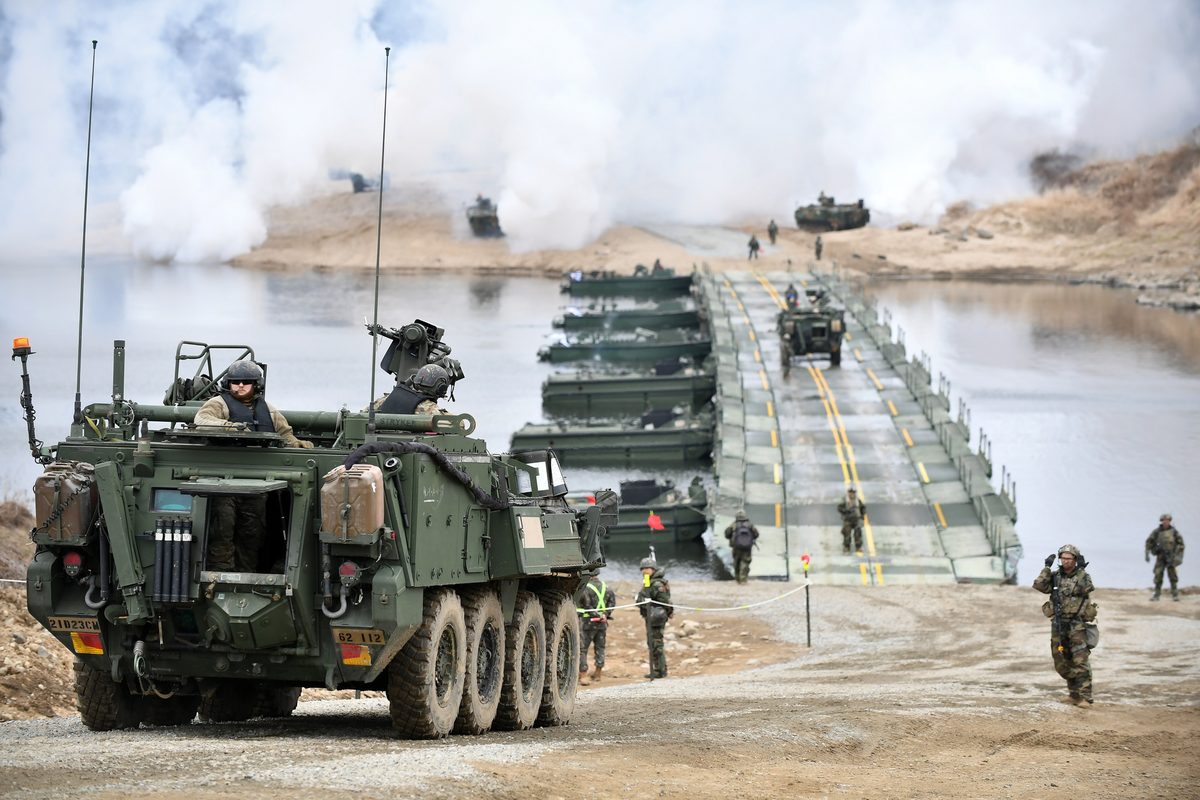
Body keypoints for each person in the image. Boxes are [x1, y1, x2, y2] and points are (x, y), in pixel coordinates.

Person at [193, 360, 314, 571]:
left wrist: (297, 444)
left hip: (257, 482)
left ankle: (245, 575)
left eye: (246, 382)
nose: (240, 386)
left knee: (253, 534)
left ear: (255, 385)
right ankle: (220, 576)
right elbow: (202, 420)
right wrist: (231, 427)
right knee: (222, 530)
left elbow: (284, 434)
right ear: (228, 384)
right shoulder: (218, 404)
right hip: (224, 481)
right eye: (236, 382)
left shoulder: (268, 410)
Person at [1033, 544, 1096, 705]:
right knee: (1061, 660)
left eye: (1069, 558)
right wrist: (1047, 567)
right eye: (1063, 558)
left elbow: (1087, 588)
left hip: (1077, 624)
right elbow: (1039, 585)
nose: (1065, 561)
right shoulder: (1055, 577)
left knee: (1080, 660)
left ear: (1075, 560)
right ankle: (1073, 694)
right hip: (1058, 623)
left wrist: (1081, 570)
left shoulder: (1083, 576)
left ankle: (1085, 696)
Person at [575, 574, 615, 685]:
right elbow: (612, 604)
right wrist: (605, 614)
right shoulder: (606, 587)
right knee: (600, 647)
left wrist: (594, 614)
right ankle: (598, 673)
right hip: (602, 624)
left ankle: (583, 675)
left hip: (587, 624)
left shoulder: (585, 588)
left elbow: (585, 606)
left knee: (583, 649)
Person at [636, 557, 673, 679]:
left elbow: (666, 601)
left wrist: (668, 612)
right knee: (652, 643)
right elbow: (645, 594)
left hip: (656, 617)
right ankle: (658, 669)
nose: (645, 571)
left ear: (653, 569)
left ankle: (660, 671)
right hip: (650, 616)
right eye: (643, 569)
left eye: (647, 568)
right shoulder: (649, 581)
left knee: (656, 644)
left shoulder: (657, 584)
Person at [373, 363, 452, 415]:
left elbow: (365, 412)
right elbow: (459, 423)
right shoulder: (427, 408)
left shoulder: (387, 399)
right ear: (440, 388)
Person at [1145, 513, 1185, 601]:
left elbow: (1181, 544)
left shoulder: (1174, 532)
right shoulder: (1157, 531)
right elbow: (1149, 541)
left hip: (1171, 557)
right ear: (1162, 521)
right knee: (1158, 575)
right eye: (1164, 520)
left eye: (1167, 520)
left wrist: (1176, 555)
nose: (1165, 522)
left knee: (1172, 576)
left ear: (1170, 521)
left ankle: (1175, 594)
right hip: (1160, 556)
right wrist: (1147, 553)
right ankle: (1156, 595)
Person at [724, 510, 759, 583]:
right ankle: (743, 579)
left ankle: (737, 579)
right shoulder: (750, 525)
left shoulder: (733, 525)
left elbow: (727, 534)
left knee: (736, 562)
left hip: (736, 547)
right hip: (747, 548)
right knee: (745, 562)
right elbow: (756, 534)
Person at [837, 487, 865, 554]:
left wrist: (862, 516)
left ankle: (858, 547)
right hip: (848, 520)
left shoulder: (858, 501)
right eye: (850, 493)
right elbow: (839, 508)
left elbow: (863, 508)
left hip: (856, 520)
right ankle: (846, 547)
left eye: (853, 493)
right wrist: (845, 511)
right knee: (847, 533)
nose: (852, 494)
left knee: (858, 533)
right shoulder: (845, 501)